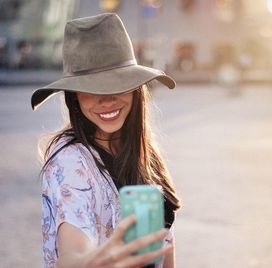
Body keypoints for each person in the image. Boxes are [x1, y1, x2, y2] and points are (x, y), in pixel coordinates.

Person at [31, 13, 181, 268]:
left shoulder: (143, 152)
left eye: (118, 83)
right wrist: (92, 263)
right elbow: (73, 250)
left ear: (136, 89)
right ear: (74, 96)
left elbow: (164, 244)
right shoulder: (70, 160)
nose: (107, 99)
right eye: (91, 88)